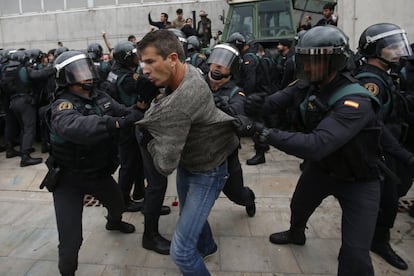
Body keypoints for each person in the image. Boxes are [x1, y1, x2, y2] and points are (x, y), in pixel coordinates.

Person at [237, 26, 383, 276]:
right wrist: (252, 105)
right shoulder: (311, 82)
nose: (305, 66)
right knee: (299, 206)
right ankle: (296, 235)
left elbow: (316, 145)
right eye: (303, 58)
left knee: (355, 255)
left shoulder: (356, 101)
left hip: (359, 179)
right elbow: (276, 100)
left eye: (313, 60)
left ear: (335, 61)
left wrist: (263, 133)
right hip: (325, 169)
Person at [136, 29, 239, 275]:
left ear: (172, 59)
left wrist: (148, 137)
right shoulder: (189, 70)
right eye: (142, 63)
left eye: (150, 62)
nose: (144, 70)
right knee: (190, 214)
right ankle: (207, 245)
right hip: (192, 161)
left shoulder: (180, 103)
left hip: (208, 171)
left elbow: (164, 165)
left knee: (181, 252)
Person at [46, 50, 142, 276]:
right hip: (69, 179)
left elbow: (123, 112)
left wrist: (140, 108)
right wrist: (114, 124)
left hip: (98, 173)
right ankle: (67, 271)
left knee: (118, 204)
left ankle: (113, 222)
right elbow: (77, 128)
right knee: (71, 240)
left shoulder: (100, 97)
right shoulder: (62, 106)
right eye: (79, 72)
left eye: (87, 69)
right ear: (66, 77)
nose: (86, 75)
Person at [354, 23, 413, 270]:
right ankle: (372, 244)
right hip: (379, 152)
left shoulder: (385, 75)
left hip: (389, 149)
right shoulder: (370, 80)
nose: (399, 51)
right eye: (393, 47)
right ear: (376, 50)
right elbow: (373, 123)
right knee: (385, 201)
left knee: (388, 198)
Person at [205, 43, 256, 217]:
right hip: (201, 151)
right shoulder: (198, 83)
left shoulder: (236, 93)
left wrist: (224, 108)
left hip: (226, 153)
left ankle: (249, 199)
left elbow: (239, 116)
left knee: (236, 194)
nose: (217, 66)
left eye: (223, 63)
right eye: (215, 61)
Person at [104, 41, 147, 212]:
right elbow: (146, 87)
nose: (138, 58)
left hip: (121, 120)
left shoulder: (114, 72)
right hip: (128, 123)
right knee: (129, 163)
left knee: (136, 161)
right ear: (127, 59)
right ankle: (123, 200)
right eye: (135, 55)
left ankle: (138, 191)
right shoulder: (129, 78)